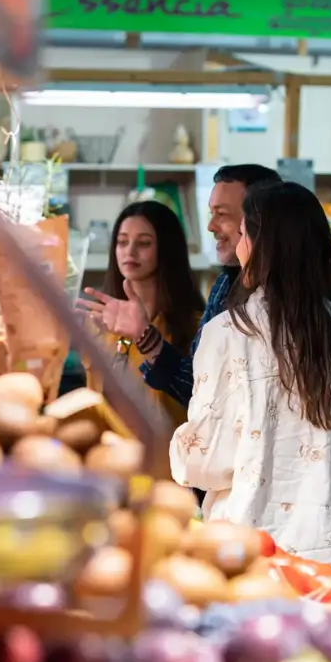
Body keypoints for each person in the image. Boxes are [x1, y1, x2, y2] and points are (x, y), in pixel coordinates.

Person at [169, 182, 331, 582]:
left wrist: (178, 451)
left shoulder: (229, 333)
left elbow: (209, 459)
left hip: (258, 556)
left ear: (260, 246)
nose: (237, 248)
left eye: (242, 236)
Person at [80, 164, 331, 410]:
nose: (211, 226)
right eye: (122, 241)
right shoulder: (226, 286)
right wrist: (145, 337)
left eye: (222, 214)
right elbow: (199, 392)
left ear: (262, 218)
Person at [80, 200, 205, 472]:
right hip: (109, 465)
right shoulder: (102, 323)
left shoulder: (193, 326)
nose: (130, 251)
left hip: (173, 471)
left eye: (144, 243)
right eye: (122, 242)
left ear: (166, 249)